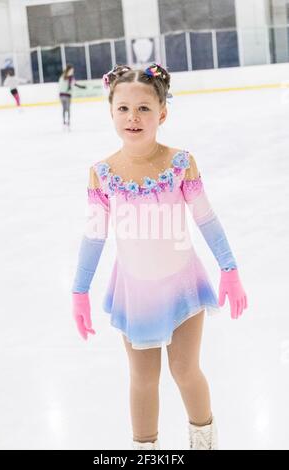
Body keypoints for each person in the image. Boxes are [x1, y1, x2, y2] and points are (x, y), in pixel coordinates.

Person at [71, 63, 248, 450]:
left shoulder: (180, 164)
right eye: (123, 108)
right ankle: (145, 452)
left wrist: (229, 268)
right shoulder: (102, 173)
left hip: (183, 285)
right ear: (111, 111)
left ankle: (204, 442)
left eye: (144, 108)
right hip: (135, 293)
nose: (133, 117)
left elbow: (206, 218)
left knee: (185, 370)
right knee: (143, 379)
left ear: (162, 113)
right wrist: (79, 291)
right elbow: (94, 236)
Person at [58, 64, 86, 129]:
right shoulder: (66, 77)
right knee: (65, 109)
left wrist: (82, 87)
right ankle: (65, 122)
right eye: (72, 70)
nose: (72, 71)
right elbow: (73, 84)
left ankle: (67, 122)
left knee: (66, 109)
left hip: (65, 95)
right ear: (69, 70)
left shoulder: (66, 77)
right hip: (64, 95)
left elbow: (74, 84)